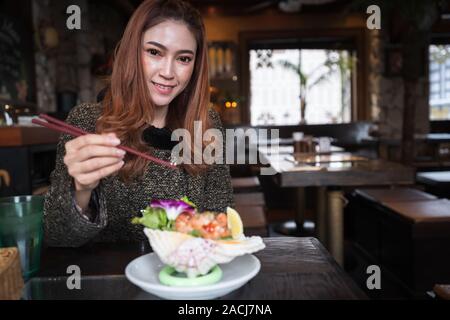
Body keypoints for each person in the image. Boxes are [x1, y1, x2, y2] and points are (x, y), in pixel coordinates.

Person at [44, 0, 234, 247]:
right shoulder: (87, 122)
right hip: (111, 281)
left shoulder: (207, 124)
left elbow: (221, 220)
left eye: (183, 58)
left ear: (195, 66)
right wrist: (80, 189)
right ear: (132, 52)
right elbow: (57, 237)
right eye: (154, 52)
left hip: (187, 278)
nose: (168, 71)